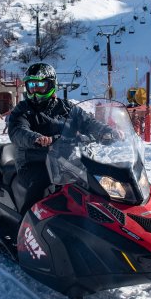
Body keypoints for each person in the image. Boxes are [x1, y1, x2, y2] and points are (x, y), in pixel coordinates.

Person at [8, 63, 112, 214]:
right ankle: (25, 226)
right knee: (42, 186)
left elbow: (88, 122)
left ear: (51, 85)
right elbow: (17, 130)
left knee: (96, 181)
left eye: (40, 85)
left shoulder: (67, 107)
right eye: (32, 85)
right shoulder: (23, 109)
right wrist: (37, 138)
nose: (35, 90)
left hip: (66, 160)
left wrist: (107, 131)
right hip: (34, 162)